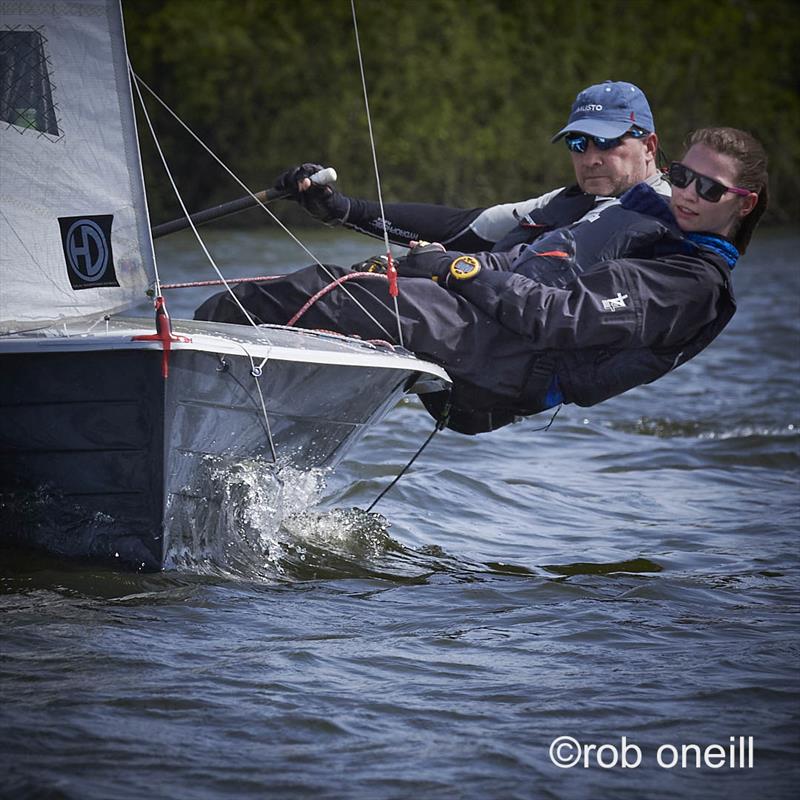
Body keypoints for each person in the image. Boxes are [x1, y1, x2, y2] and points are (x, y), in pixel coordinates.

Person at [196, 127, 768, 435]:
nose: (691, 194)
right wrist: (358, 219)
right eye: (687, 178)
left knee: (340, 297)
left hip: (513, 367)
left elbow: (561, 317)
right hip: (495, 332)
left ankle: (183, 373)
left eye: (710, 189)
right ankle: (209, 396)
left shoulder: (691, 283)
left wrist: (457, 269)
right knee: (338, 283)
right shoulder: (618, 219)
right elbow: (505, 251)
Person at [273, 80, 667, 253]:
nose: (590, 157)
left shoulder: (681, 210)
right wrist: (342, 209)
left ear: (649, 146)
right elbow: (460, 229)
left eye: (607, 142)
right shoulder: (571, 201)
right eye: (578, 143)